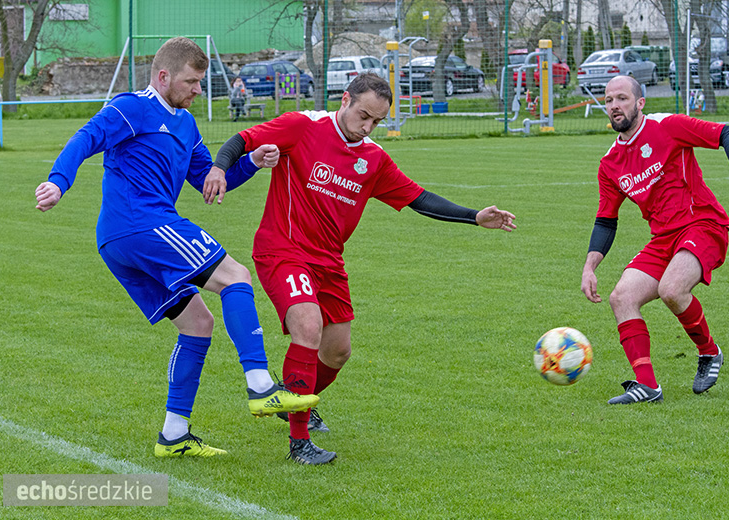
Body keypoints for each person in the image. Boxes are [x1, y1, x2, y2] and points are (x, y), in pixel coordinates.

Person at [205, 72, 516, 464]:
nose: (367, 127)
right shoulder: (303, 126)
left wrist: (474, 216)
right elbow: (243, 140)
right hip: (282, 249)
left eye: (376, 121)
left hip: (329, 261)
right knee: (308, 327)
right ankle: (299, 441)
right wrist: (219, 166)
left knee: (337, 352)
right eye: (364, 115)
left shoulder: (373, 159)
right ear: (346, 100)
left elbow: (419, 198)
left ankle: (293, 398)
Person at [34, 37, 318, 458]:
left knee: (197, 325)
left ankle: (173, 435)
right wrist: (60, 180)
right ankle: (261, 385)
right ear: (163, 76)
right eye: (191, 81)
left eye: (201, 82)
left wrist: (253, 162)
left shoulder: (186, 124)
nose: (197, 90)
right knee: (236, 277)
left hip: (123, 241)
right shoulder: (132, 107)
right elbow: (86, 137)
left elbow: (210, 181)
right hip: (140, 224)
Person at [581, 75, 729, 405]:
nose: (614, 106)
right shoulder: (610, 163)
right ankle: (647, 386)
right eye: (609, 100)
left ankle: (709, 352)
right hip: (663, 238)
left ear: (640, 103)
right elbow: (606, 220)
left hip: (703, 225)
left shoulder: (666, 126)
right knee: (621, 297)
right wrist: (590, 265)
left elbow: (725, 133)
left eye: (622, 98)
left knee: (672, 289)